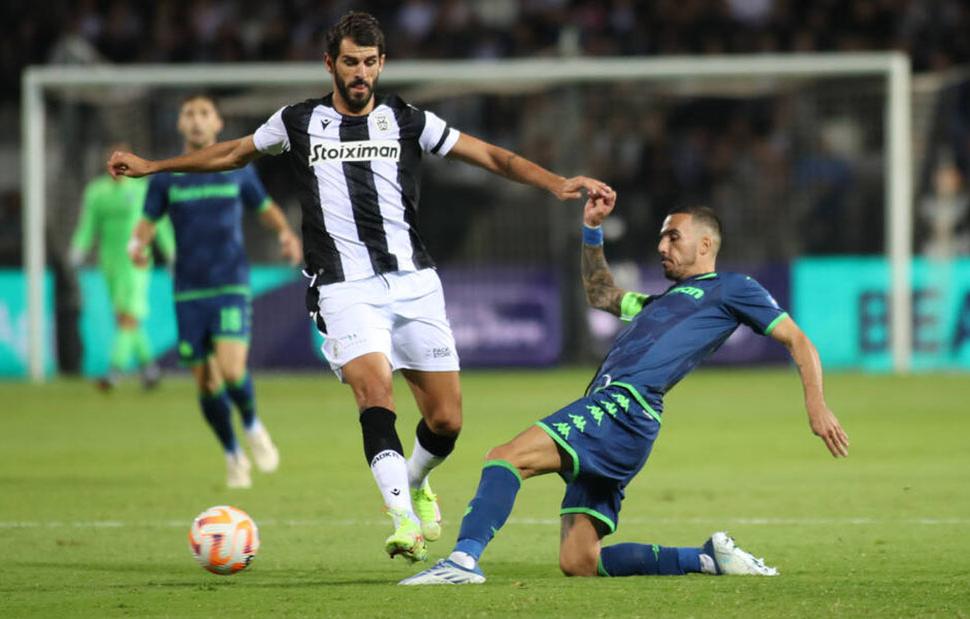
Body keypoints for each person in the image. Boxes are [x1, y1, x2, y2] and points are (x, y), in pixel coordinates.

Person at [108, 11, 610, 562]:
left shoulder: (408, 120)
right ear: (330, 63)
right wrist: (156, 166)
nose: (361, 73)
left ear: (382, 63)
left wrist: (556, 182)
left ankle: (415, 481)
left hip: (414, 282)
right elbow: (232, 153)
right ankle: (403, 521)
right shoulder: (297, 122)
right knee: (375, 393)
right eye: (351, 62)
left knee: (446, 420)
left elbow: (489, 155)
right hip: (343, 286)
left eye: (370, 62)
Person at [400, 194, 850, 585]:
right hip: (622, 419)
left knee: (505, 458)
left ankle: (462, 561)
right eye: (661, 238)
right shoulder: (660, 303)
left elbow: (798, 340)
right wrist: (592, 230)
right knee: (579, 561)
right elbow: (601, 294)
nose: (661, 246)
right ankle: (705, 558)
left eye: (673, 237)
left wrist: (817, 406)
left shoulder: (732, 289)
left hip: (624, 406)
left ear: (705, 244)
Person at [126, 94, 302, 489]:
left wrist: (286, 234)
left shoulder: (236, 170)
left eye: (204, 113)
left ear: (218, 123)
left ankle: (253, 426)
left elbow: (265, 208)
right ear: (180, 124)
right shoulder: (167, 177)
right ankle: (232, 454)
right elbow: (147, 222)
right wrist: (137, 246)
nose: (196, 120)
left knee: (232, 370)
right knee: (206, 383)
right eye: (189, 113)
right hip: (188, 290)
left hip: (230, 283)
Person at [69, 146, 175, 390]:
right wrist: (79, 248)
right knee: (125, 318)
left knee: (128, 317)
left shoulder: (142, 190)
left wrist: (171, 253)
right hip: (110, 262)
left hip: (137, 260)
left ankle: (115, 370)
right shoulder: (96, 192)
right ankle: (150, 369)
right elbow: (88, 224)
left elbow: (159, 223)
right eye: (114, 162)